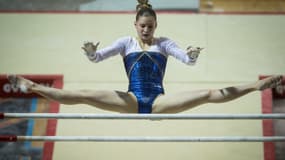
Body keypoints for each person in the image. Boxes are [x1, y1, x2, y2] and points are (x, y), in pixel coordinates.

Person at [7, 0, 282, 114]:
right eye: (143, 26)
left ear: (156, 26)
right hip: (131, 98)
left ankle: (256, 86)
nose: (147, 30)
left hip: (160, 100)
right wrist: (91, 52)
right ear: (135, 25)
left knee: (209, 93)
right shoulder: (125, 42)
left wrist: (192, 54)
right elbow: (98, 58)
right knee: (84, 94)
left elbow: (187, 61)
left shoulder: (164, 43)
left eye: (151, 26)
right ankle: (33, 87)